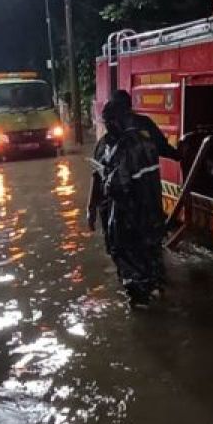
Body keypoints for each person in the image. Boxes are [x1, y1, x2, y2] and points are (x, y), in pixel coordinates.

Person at [87, 100, 166, 307]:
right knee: (152, 258)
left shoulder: (119, 147)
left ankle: (141, 303)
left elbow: (116, 186)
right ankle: (155, 291)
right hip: (152, 214)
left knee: (127, 259)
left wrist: (105, 181)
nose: (107, 126)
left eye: (109, 122)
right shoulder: (146, 141)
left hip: (128, 216)